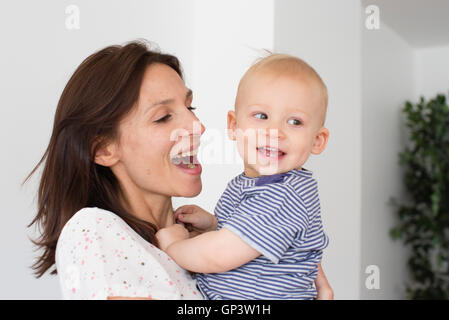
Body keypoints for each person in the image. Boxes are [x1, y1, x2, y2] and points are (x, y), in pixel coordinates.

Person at [26, 40, 206, 299]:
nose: (197, 126)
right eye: (163, 117)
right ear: (103, 149)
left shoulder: (196, 242)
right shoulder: (93, 229)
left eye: (190, 108)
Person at [156, 53, 333, 299]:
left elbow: (220, 254)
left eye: (294, 121)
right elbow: (244, 242)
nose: (274, 132)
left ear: (317, 140)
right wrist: (214, 225)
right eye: (261, 116)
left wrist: (174, 247)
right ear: (233, 125)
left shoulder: (284, 194)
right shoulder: (251, 183)